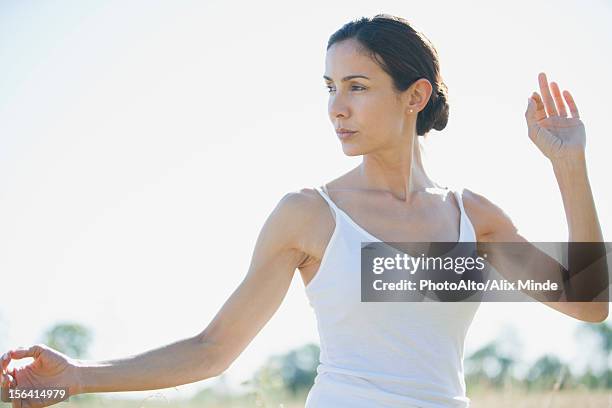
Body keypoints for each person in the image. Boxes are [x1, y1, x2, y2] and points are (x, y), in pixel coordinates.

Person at [1, 13, 608, 408]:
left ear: (414, 96)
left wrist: (568, 167)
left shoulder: (473, 219)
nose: (336, 108)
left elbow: (588, 301)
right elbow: (214, 349)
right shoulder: (310, 216)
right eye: (330, 88)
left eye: (358, 87)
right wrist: (76, 375)